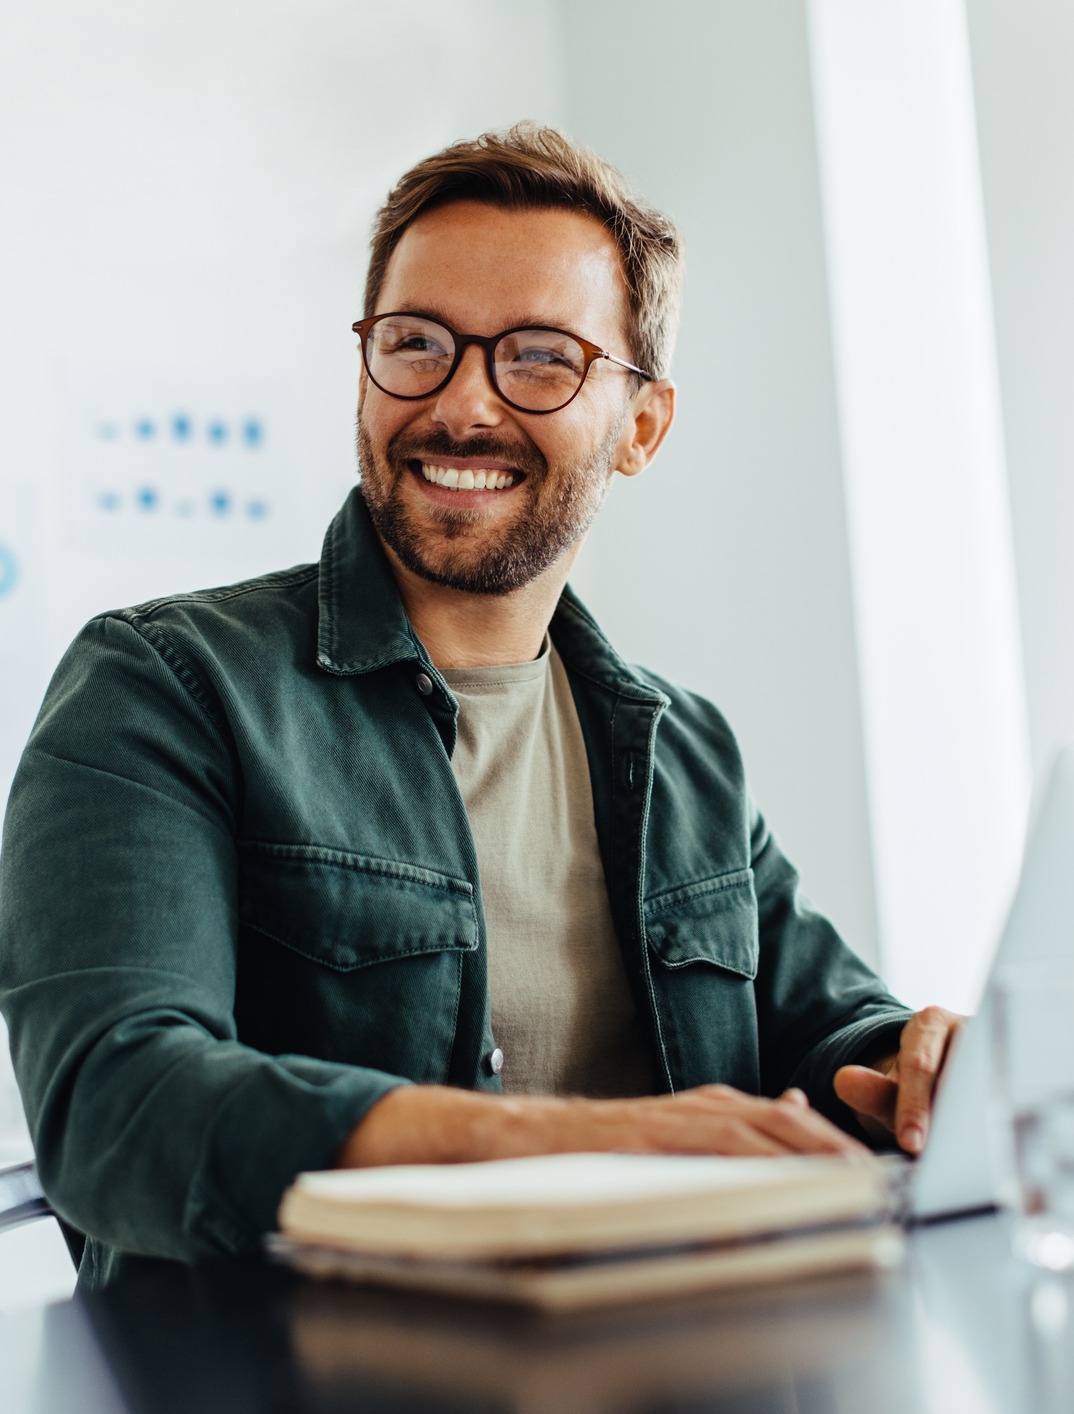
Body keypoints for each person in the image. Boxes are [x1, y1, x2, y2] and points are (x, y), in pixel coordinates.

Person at [0, 124, 959, 1288]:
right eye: (416, 344)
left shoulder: (683, 748)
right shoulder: (163, 684)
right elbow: (117, 1110)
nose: (462, 404)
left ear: (641, 427)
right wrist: (559, 1144)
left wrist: (920, 1061)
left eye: (542, 359)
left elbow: (832, 1029)